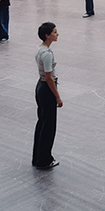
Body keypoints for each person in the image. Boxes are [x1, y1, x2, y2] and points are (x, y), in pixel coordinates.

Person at [33, 22, 62, 169]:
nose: (57, 34)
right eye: (55, 32)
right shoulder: (47, 54)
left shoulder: (39, 49)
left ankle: (37, 156)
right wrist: (57, 96)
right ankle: (44, 159)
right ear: (47, 35)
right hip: (47, 88)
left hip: (40, 86)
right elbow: (50, 78)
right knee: (48, 126)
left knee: (42, 122)